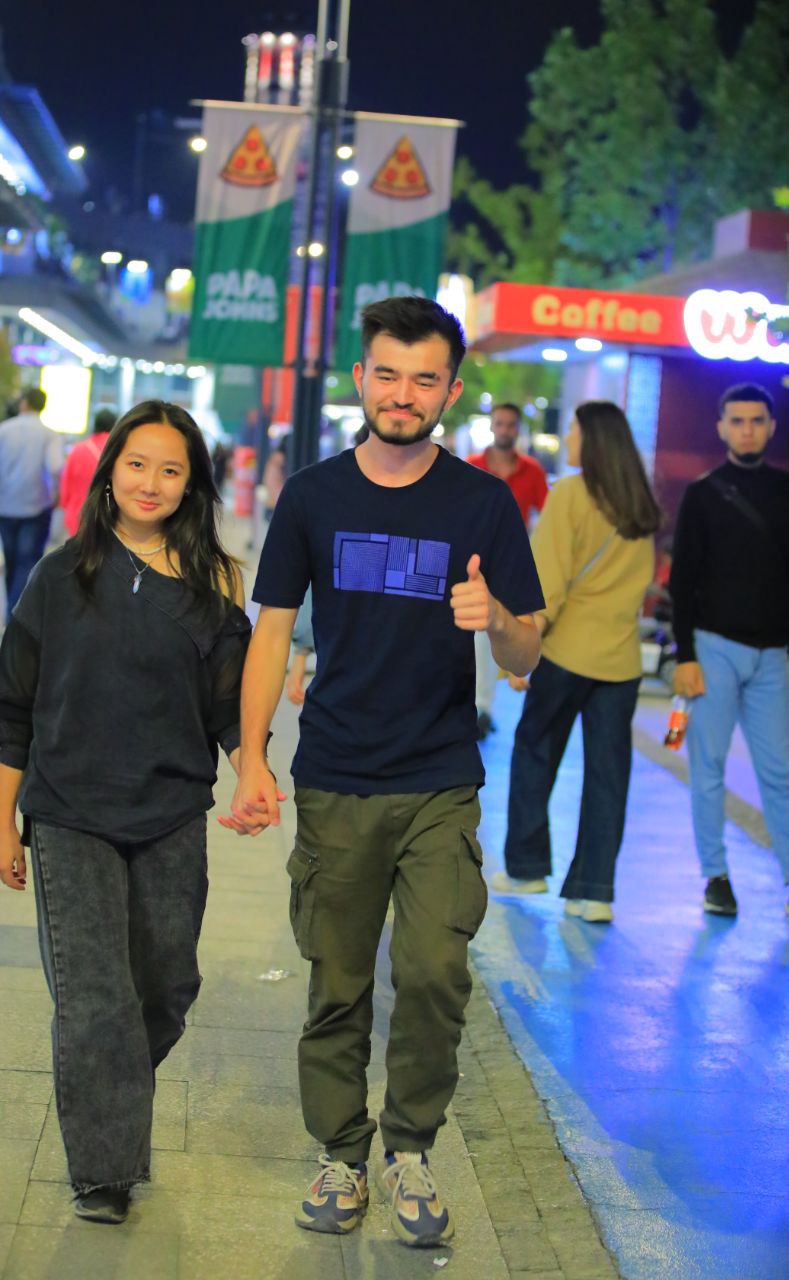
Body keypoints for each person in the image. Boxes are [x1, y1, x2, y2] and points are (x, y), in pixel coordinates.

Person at [221, 297, 543, 1247]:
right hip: (335, 774)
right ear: (361, 379)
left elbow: (526, 652)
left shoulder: (482, 502)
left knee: (436, 970)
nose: (404, 395)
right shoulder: (312, 496)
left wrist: (498, 619)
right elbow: (271, 630)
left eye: (424, 379)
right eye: (388, 375)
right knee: (338, 980)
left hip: (439, 776)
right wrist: (251, 759)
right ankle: (340, 1153)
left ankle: (409, 1147)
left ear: (450, 390)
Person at [0, 400, 249, 1225]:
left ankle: (113, 1093)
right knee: (95, 996)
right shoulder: (59, 576)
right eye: (137, 464)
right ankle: (103, 1173)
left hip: (170, 813)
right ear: (109, 474)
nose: (150, 482)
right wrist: (3, 823)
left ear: (191, 486)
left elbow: (229, 709)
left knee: (165, 988)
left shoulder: (213, 586)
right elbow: (13, 707)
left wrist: (255, 772)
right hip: (69, 812)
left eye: (171, 470)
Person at [495, 401, 661, 923]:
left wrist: (522, 653)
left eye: (572, 430)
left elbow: (549, 583)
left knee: (534, 752)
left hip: (565, 653)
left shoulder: (569, 493)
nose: (567, 438)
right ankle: (595, 891)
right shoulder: (640, 502)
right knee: (609, 774)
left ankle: (527, 868)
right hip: (620, 661)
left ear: (590, 440)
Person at [669, 382, 789, 917]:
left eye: (756, 421)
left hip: (773, 656)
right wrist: (685, 656)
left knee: (780, 772)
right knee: (708, 767)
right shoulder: (702, 493)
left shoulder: (785, 490)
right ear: (721, 427)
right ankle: (715, 877)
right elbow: (683, 580)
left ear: (771, 427)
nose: (747, 430)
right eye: (737, 421)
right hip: (713, 649)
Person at [468, 403, 549, 738]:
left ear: (518, 429)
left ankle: (483, 707)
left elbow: (547, 518)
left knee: (498, 632)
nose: (504, 430)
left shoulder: (532, 471)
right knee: (474, 633)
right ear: (492, 426)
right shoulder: (471, 466)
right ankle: (476, 706)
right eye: (499, 423)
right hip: (473, 560)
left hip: (512, 562)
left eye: (510, 424)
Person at [0, 387, 63, 618]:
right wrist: (56, 493)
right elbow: (55, 467)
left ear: (24, 403)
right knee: (27, 561)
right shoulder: (49, 435)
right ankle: (16, 613)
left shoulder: (1, 431)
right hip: (36, 505)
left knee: (11, 561)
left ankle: (12, 610)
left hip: (5, 506)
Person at [59, 407, 116, 537]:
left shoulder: (78, 449)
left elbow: (66, 483)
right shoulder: (118, 450)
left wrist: (65, 505)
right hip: (108, 516)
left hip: (78, 515)